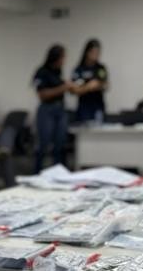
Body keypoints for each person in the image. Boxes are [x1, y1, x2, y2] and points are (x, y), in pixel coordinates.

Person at [33, 44, 74, 172]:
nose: (64, 60)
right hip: (47, 110)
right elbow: (42, 95)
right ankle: (38, 172)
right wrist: (63, 88)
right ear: (55, 57)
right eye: (62, 57)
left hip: (60, 110)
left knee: (60, 145)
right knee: (43, 144)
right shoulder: (42, 72)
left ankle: (59, 173)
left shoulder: (59, 72)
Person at [71, 38, 108, 123]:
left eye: (98, 53)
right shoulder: (79, 69)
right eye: (94, 52)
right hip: (84, 106)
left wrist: (98, 85)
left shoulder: (100, 68)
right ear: (87, 52)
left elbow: (105, 84)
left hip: (98, 105)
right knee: (84, 127)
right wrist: (88, 87)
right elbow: (74, 90)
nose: (96, 55)